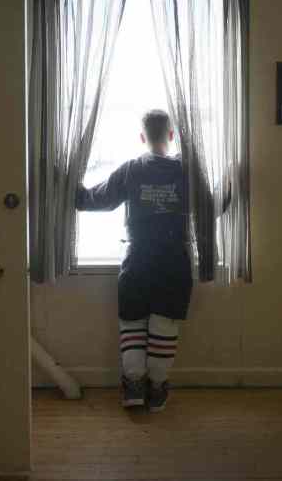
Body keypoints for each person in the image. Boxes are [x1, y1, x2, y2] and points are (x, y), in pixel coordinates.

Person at [75, 109, 197, 412]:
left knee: (132, 322)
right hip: (174, 259)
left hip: (137, 257)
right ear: (171, 135)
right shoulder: (187, 171)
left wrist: (63, 176)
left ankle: (133, 387)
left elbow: (91, 201)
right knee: (164, 324)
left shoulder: (130, 169)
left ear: (142, 137)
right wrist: (234, 181)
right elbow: (212, 208)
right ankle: (157, 388)